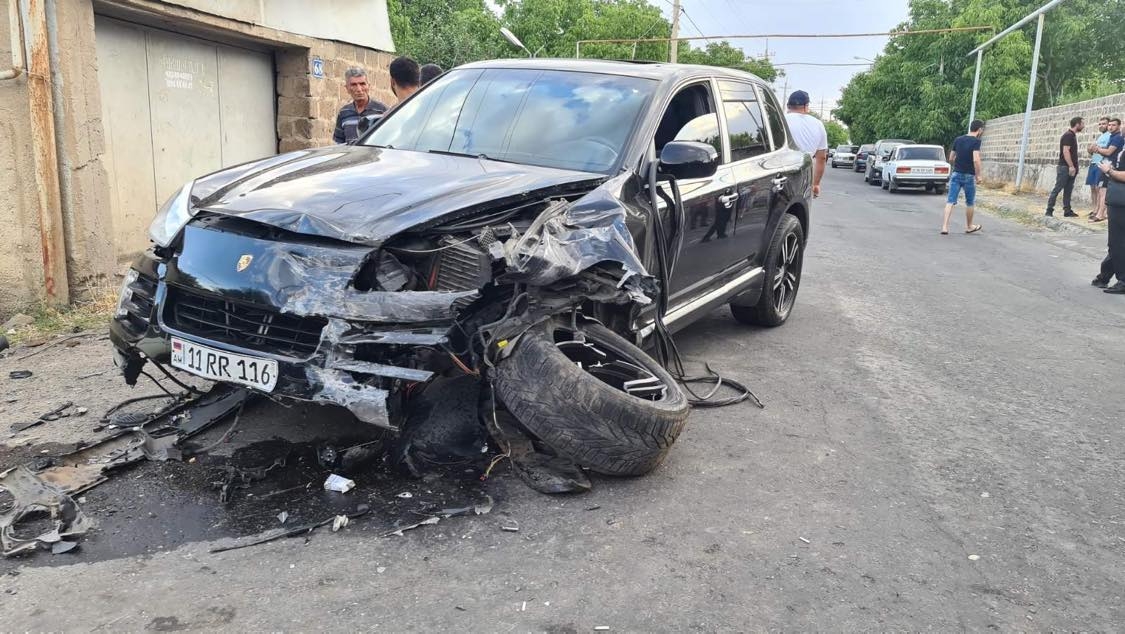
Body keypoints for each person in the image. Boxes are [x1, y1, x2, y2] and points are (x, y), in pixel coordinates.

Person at [941, 120, 985, 235]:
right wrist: (978, 175)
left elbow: (951, 157)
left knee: (950, 201)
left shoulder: (958, 139)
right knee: (970, 202)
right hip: (969, 175)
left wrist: (957, 163)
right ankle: (969, 226)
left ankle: (944, 227)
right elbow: (976, 159)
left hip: (956, 173)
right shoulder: (976, 141)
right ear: (979, 129)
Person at [783, 90, 828, 198]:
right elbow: (821, 158)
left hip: (781, 171)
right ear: (806, 106)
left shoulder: (781, 120)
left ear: (788, 105)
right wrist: (816, 184)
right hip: (804, 175)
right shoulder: (818, 124)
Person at [1093, 146, 1125, 294]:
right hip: (1118, 200)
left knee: (1117, 242)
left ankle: (1123, 281)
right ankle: (1104, 276)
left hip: (1121, 202)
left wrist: (1109, 171)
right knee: (1117, 243)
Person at [333, 67, 388, 144]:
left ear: (368, 86)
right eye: (353, 85)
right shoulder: (343, 113)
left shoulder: (382, 111)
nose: (359, 89)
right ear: (347, 88)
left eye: (362, 84)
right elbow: (339, 142)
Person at [1045, 116, 1085, 217]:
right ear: (1077, 124)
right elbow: (1066, 151)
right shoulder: (1068, 135)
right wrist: (1071, 166)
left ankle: (1067, 210)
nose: (1083, 126)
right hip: (1065, 167)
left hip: (1070, 168)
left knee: (1068, 190)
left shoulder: (1072, 135)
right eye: (1082, 124)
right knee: (1058, 188)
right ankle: (1049, 210)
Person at [1088, 117, 1122, 223]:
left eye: (1113, 125)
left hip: (1110, 166)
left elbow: (1109, 152)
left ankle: (1100, 215)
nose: (1110, 127)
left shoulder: (1117, 138)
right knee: (1100, 190)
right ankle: (1101, 213)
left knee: (1103, 191)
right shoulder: (1112, 136)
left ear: (1119, 126)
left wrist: (1097, 149)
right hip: (1105, 165)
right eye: (1110, 125)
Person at [1086, 117, 1111, 220]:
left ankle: (1100, 211)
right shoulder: (1100, 137)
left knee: (1099, 188)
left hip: (1101, 164)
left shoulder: (1110, 136)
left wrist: (1096, 148)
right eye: (1100, 124)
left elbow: (1108, 149)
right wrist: (1090, 150)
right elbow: (1095, 151)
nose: (1101, 126)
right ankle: (1094, 209)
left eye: (1104, 124)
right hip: (1093, 163)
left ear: (1108, 125)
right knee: (1093, 187)